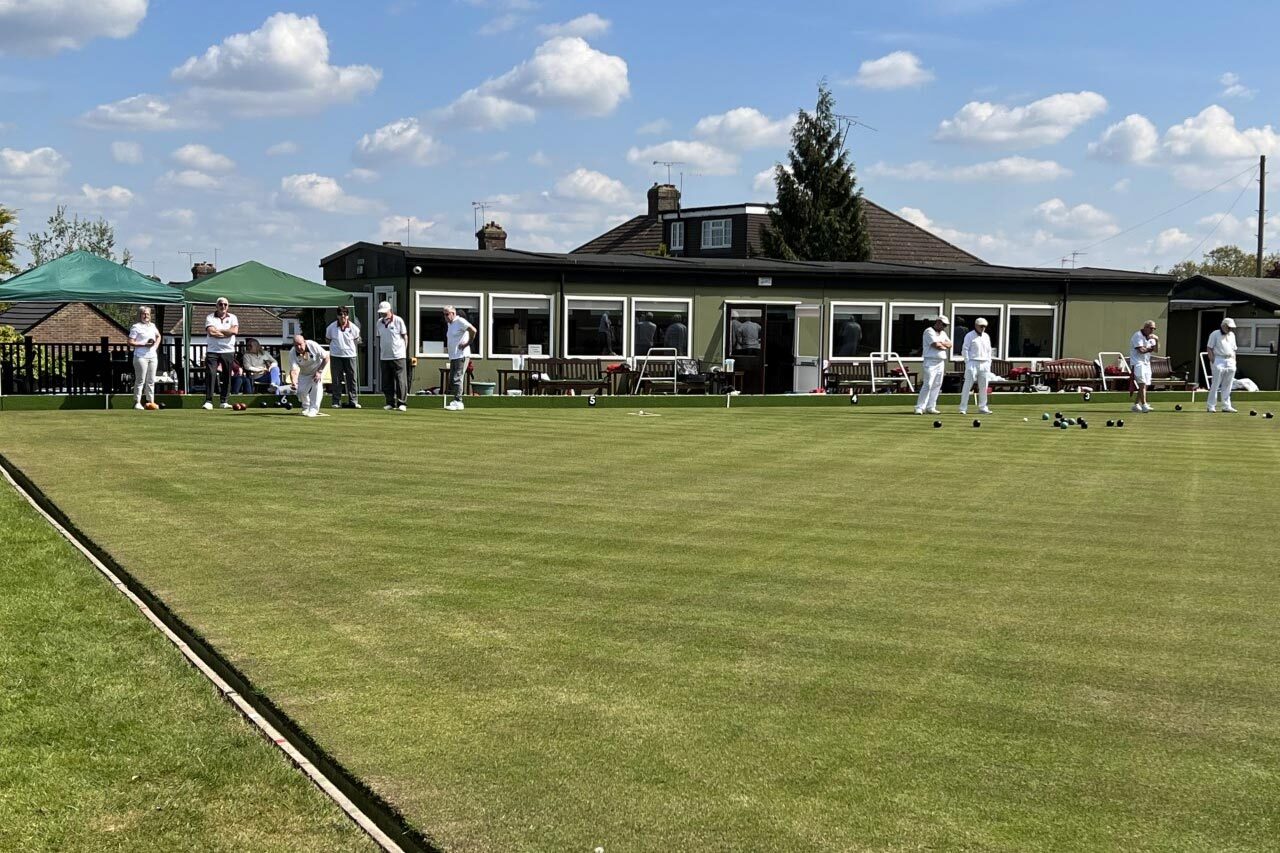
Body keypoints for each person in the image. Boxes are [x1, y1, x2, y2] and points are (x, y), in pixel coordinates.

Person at [202, 297, 238, 410]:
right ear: (216, 306)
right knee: (211, 374)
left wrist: (219, 330)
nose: (223, 306)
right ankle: (208, 401)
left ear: (228, 306)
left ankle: (224, 401)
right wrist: (226, 332)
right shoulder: (210, 317)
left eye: (225, 305)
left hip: (228, 350)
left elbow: (234, 331)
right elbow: (211, 332)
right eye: (221, 304)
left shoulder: (233, 317)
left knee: (227, 375)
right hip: (213, 350)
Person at [326, 305, 362, 408]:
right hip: (336, 356)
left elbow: (356, 339)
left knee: (352, 379)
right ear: (337, 316)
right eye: (341, 315)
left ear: (348, 316)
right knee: (336, 379)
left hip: (350, 355)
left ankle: (353, 401)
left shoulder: (354, 328)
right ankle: (336, 401)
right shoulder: (331, 327)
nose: (343, 317)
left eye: (345, 315)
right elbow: (328, 340)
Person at [914, 315, 951, 415]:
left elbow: (950, 344)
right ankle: (920, 407)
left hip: (940, 361)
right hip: (930, 361)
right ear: (938, 322)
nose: (944, 327)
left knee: (937, 385)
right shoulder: (929, 331)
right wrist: (943, 345)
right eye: (943, 324)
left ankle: (931, 407)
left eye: (946, 325)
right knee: (928, 384)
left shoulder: (943, 333)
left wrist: (942, 344)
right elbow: (936, 345)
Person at [375, 301, 408, 411]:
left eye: (384, 312)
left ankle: (401, 402)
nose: (383, 314)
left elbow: (405, 336)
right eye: (381, 312)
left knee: (400, 380)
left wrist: (404, 351)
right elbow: (379, 337)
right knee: (386, 381)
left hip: (398, 355)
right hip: (385, 356)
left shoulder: (398, 320)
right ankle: (390, 402)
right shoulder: (379, 322)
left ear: (390, 310)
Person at [287, 333, 329, 418]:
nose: (298, 347)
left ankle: (314, 409)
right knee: (301, 392)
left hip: (318, 368)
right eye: (296, 345)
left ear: (304, 342)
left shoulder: (312, 345)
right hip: (304, 373)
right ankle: (306, 407)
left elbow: (326, 357)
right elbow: (294, 370)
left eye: (300, 344)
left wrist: (319, 371)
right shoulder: (292, 353)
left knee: (316, 385)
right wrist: (294, 382)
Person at [444, 304, 477, 411]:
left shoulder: (460, 321)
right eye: (444, 314)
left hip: (461, 355)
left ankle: (458, 401)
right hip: (454, 356)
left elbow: (473, 330)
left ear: (453, 313)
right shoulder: (450, 324)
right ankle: (456, 400)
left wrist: (467, 343)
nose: (445, 317)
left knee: (457, 378)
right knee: (453, 379)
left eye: (447, 314)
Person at [958, 317, 993, 415]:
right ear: (976, 326)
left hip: (984, 363)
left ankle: (983, 407)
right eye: (981, 326)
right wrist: (967, 362)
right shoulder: (969, 335)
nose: (983, 328)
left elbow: (989, 351)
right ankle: (963, 408)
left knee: (984, 386)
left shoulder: (986, 336)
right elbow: (964, 349)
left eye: (985, 326)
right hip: (972, 362)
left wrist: (989, 363)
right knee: (967, 386)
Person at [127, 306, 160, 410]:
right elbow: (130, 342)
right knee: (140, 380)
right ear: (140, 315)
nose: (146, 316)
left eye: (148, 314)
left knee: (151, 380)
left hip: (152, 356)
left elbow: (158, 336)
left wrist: (155, 347)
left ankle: (150, 402)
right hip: (140, 356)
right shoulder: (136, 327)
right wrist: (144, 344)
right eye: (144, 314)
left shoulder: (153, 326)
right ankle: (137, 402)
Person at [1206, 317, 1239, 413]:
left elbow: (1234, 349)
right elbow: (1209, 348)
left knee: (1228, 385)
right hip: (1218, 359)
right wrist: (1213, 361)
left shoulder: (1232, 335)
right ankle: (1211, 406)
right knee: (1215, 384)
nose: (1230, 329)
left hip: (1230, 360)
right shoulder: (1215, 334)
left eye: (1231, 328)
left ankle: (1226, 406)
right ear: (1223, 326)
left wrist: (1234, 361)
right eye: (1229, 327)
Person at [1129, 320, 1159, 413]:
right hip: (1137, 362)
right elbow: (1141, 350)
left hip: (1146, 362)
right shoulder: (1137, 335)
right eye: (1151, 328)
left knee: (1145, 384)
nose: (1152, 330)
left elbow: (1156, 350)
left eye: (1154, 329)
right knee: (1142, 383)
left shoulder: (1152, 337)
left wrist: (1157, 340)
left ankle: (1136, 405)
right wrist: (1150, 349)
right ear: (1145, 327)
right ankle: (1144, 404)